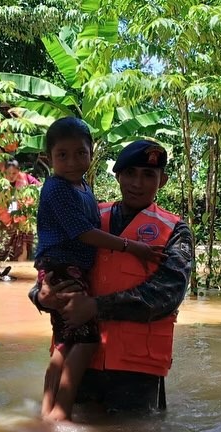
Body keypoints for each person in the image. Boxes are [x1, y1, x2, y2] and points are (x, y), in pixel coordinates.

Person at [30, 139, 193, 414]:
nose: (137, 183)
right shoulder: (87, 216)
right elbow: (52, 263)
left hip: (137, 372)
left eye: (148, 175)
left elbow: (168, 293)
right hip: (79, 361)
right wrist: (41, 296)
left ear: (162, 180)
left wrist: (94, 306)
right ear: (117, 176)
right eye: (130, 173)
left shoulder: (175, 230)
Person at [0, 159, 40, 261]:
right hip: (5, 220)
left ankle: (21, 271)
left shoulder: (27, 178)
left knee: (23, 245)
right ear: (4, 172)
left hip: (23, 220)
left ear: (19, 171)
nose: (11, 176)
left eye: (14, 173)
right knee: (5, 247)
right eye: (8, 173)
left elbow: (39, 187)